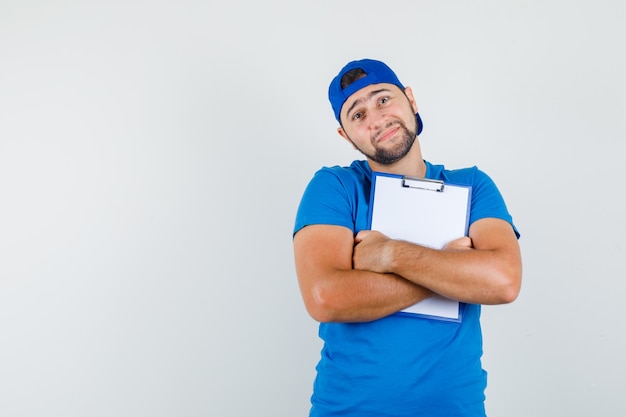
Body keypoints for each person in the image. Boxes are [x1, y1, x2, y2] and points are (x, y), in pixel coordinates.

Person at [292, 58, 523, 417]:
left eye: (383, 99)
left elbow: (504, 281)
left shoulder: (472, 186)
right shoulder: (335, 187)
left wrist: (389, 255)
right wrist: (455, 272)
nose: (376, 118)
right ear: (345, 135)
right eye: (357, 114)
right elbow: (325, 297)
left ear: (411, 100)